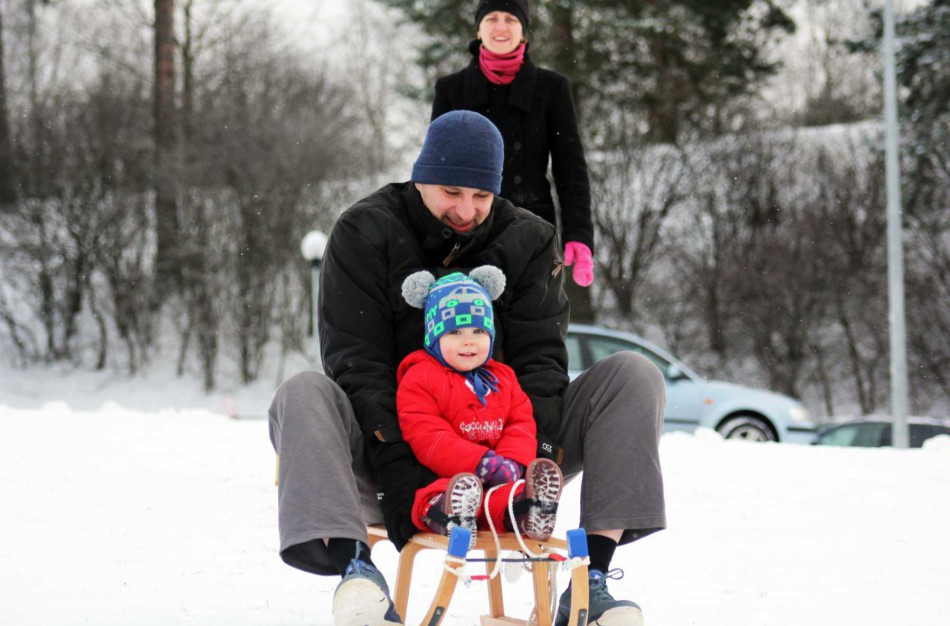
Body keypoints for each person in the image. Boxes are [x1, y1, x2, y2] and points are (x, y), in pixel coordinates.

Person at [268, 110, 666, 626]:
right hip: (395, 444)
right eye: (451, 192)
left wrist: (522, 471)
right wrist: (402, 477)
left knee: (634, 375)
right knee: (302, 392)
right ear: (420, 176)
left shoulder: (529, 239)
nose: (466, 209)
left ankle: (590, 583)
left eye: (482, 197)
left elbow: (540, 365)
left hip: (510, 444)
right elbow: (356, 364)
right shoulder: (366, 230)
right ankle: (357, 572)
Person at [432, 0, 595, 289]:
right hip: (467, 235)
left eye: (511, 19)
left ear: (524, 33)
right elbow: (436, 172)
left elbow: (570, 168)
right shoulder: (451, 90)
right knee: (472, 331)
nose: (501, 26)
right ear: (478, 31)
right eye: (491, 18)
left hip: (533, 232)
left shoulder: (552, 89)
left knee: (535, 330)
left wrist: (579, 234)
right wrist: (432, 235)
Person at [396, 267, 563, 546]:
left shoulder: (504, 378)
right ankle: (451, 515)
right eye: (455, 332)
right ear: (434, 337)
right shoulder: (420, 377)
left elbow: (521, 423)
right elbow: (428, 436)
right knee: (431, 493)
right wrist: (479, 463)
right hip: (445, 475)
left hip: (499, 475)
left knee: (504, 497)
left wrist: (512, 462)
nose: (469, 341)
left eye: (478, 330)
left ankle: (527, 509)